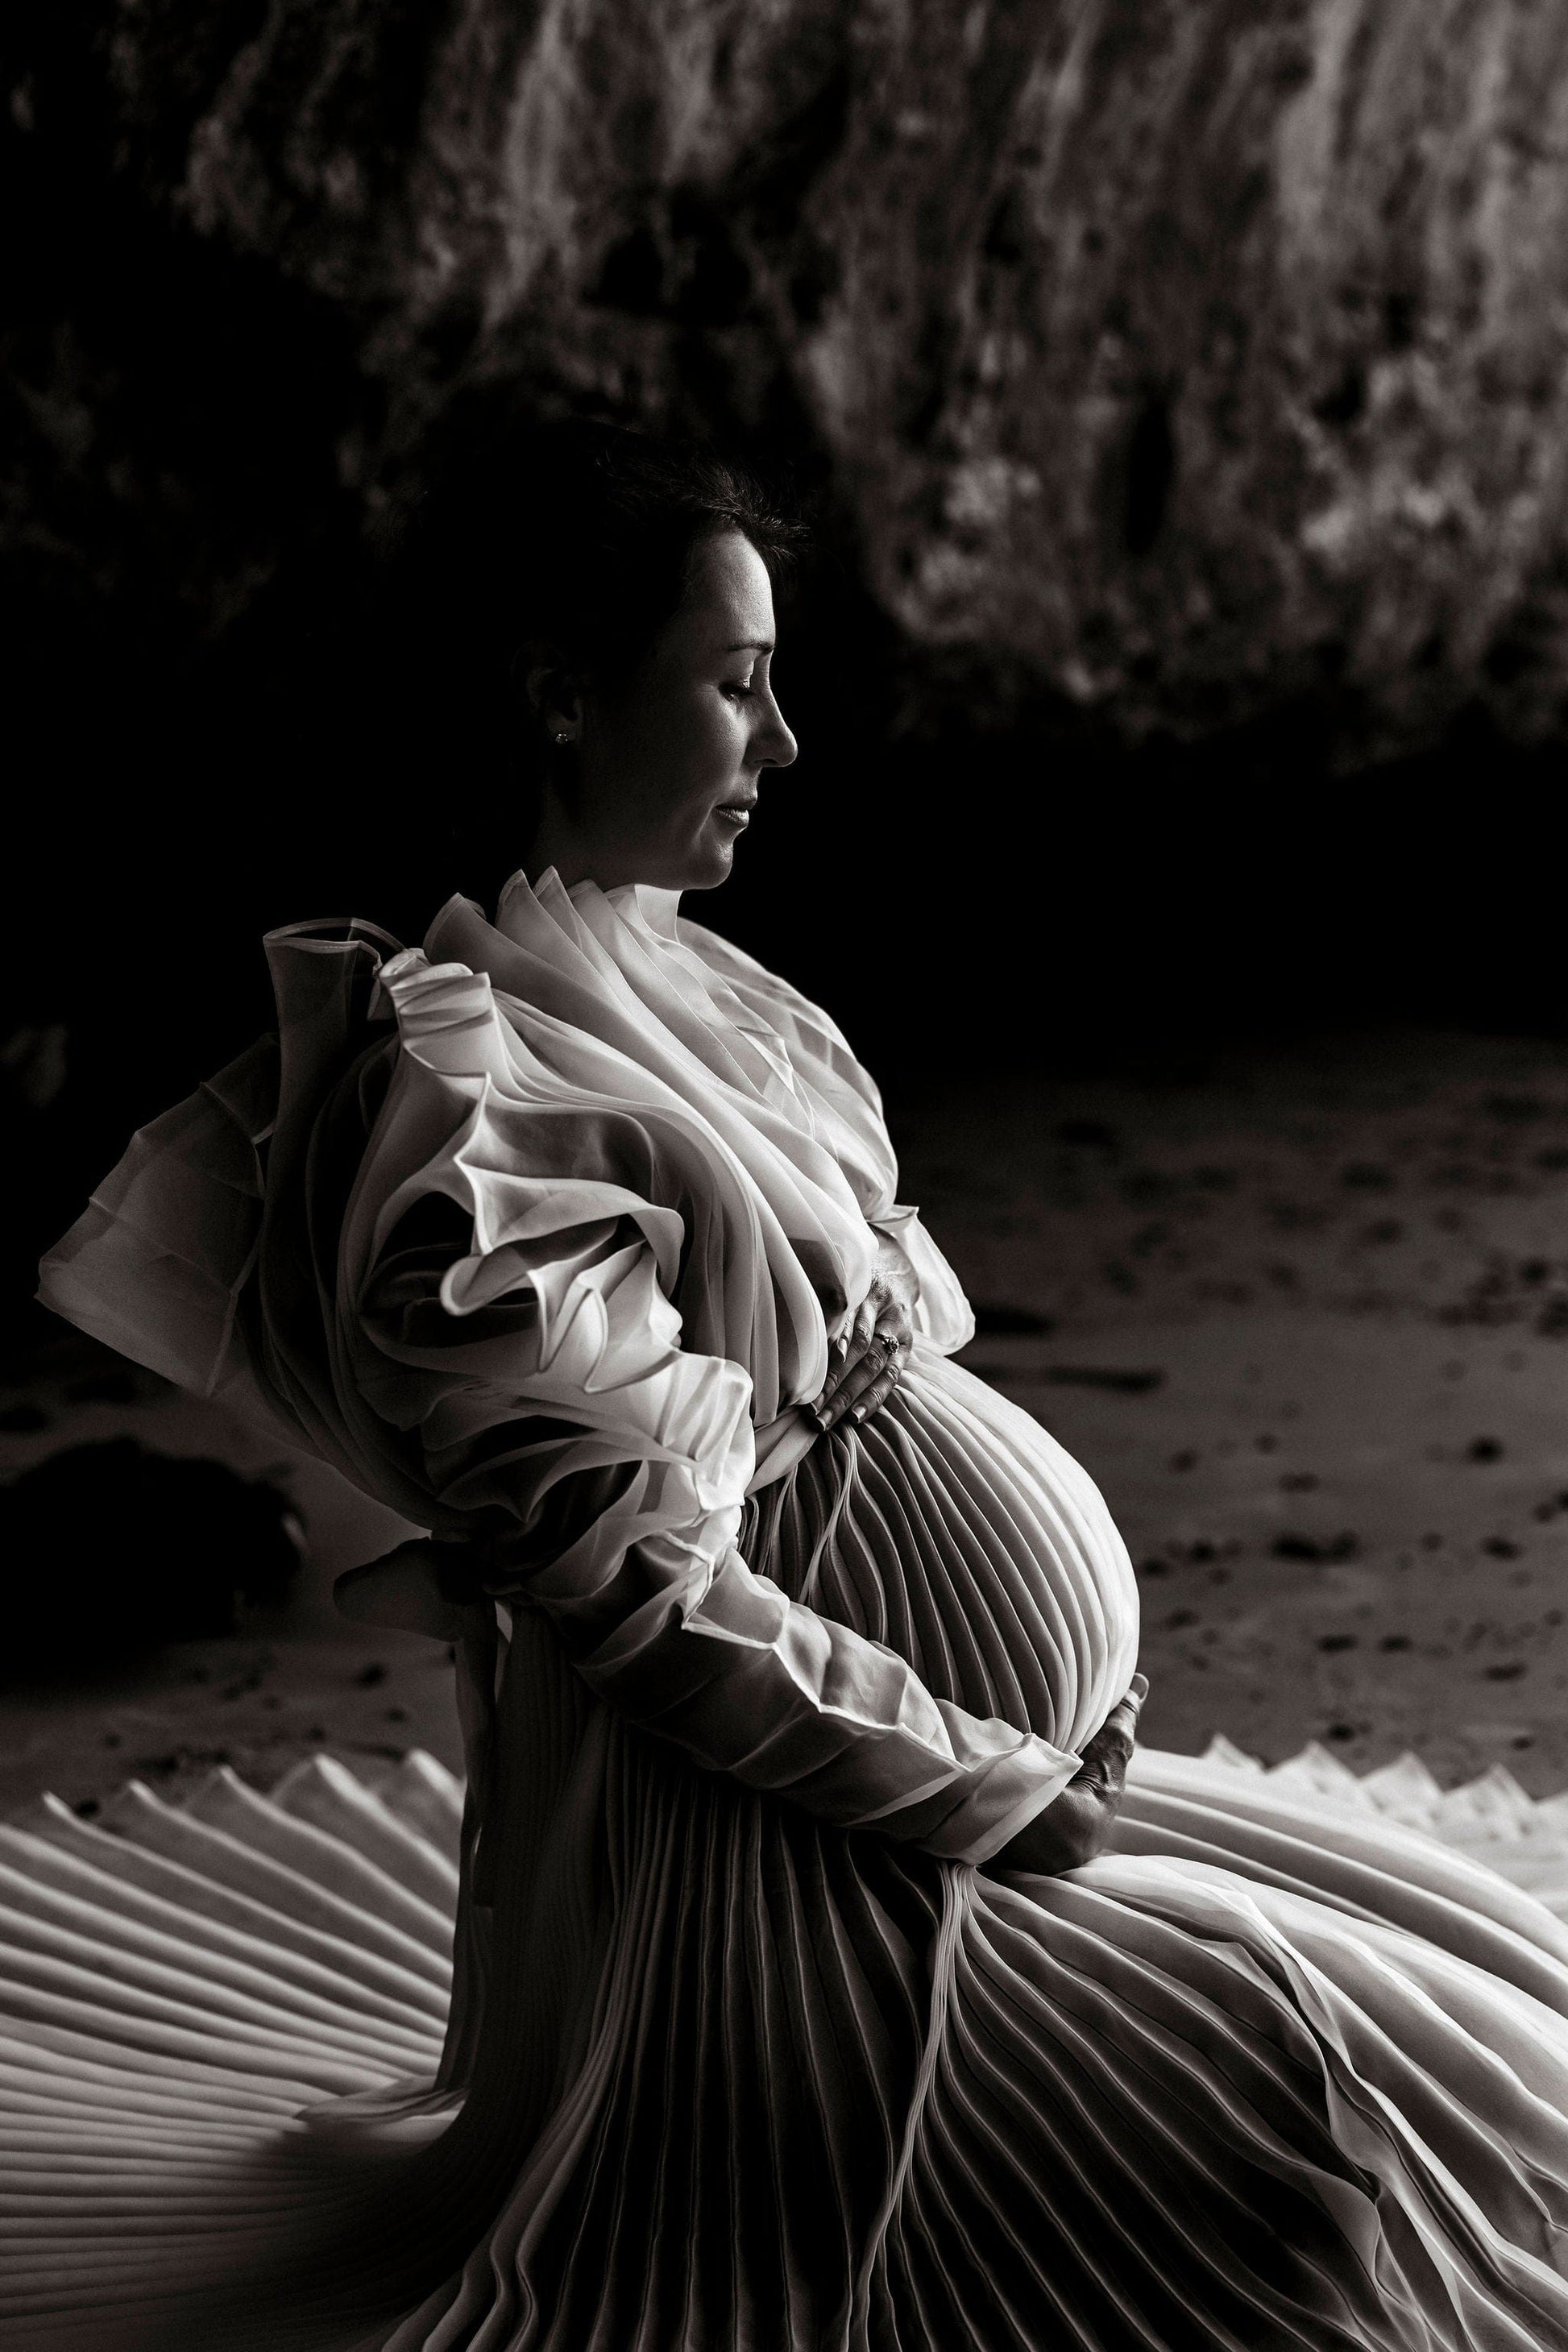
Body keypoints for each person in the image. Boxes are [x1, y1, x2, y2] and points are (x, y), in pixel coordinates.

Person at [20, 421, 1568, 2352]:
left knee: (1510, 2011)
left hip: (953, 1788)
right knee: (1322, 2148)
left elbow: (871, 1381)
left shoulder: (682, 979)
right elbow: (648, 1598)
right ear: (564, 698)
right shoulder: (468, 1106)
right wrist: (998, 1777)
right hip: (791, 1873)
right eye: (738, 685)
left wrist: (1050, 1681)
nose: (786, 742)